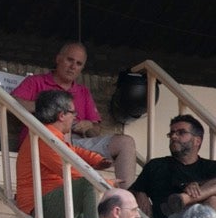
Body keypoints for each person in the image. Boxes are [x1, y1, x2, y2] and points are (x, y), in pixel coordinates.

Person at [11, 42, 137, 186]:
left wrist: (89, 125)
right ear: (58, 59)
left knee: (126, 142)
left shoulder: (83, 91)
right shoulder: (35, 82)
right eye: (69, 60)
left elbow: (96, 130)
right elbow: (12, 103)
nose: (73, 66)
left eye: (78, 63)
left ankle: (126, 199)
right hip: (43, 142)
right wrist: (50, 108)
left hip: (77, 144)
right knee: (62, 129)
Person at [13, 89, 111, 218]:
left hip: (52, 200)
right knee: (91, 184)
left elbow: (74, 151)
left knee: (98, 198)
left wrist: (97, 160)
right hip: (37, 206)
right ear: (61, 115)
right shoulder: (44, 138)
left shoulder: (50, 135)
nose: (75, 117)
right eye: (73, 113)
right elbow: (70, 172)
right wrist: (108, 184)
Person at [129, 114, 216, 218]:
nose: (174, 136)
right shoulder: (156, 165)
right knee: (214, 201)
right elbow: (129, 194)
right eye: (171, 133)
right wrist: (140, 192)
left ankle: (184, 199)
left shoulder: (215, 167)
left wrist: (196, 188)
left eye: (181, 133)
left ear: (197, 141)